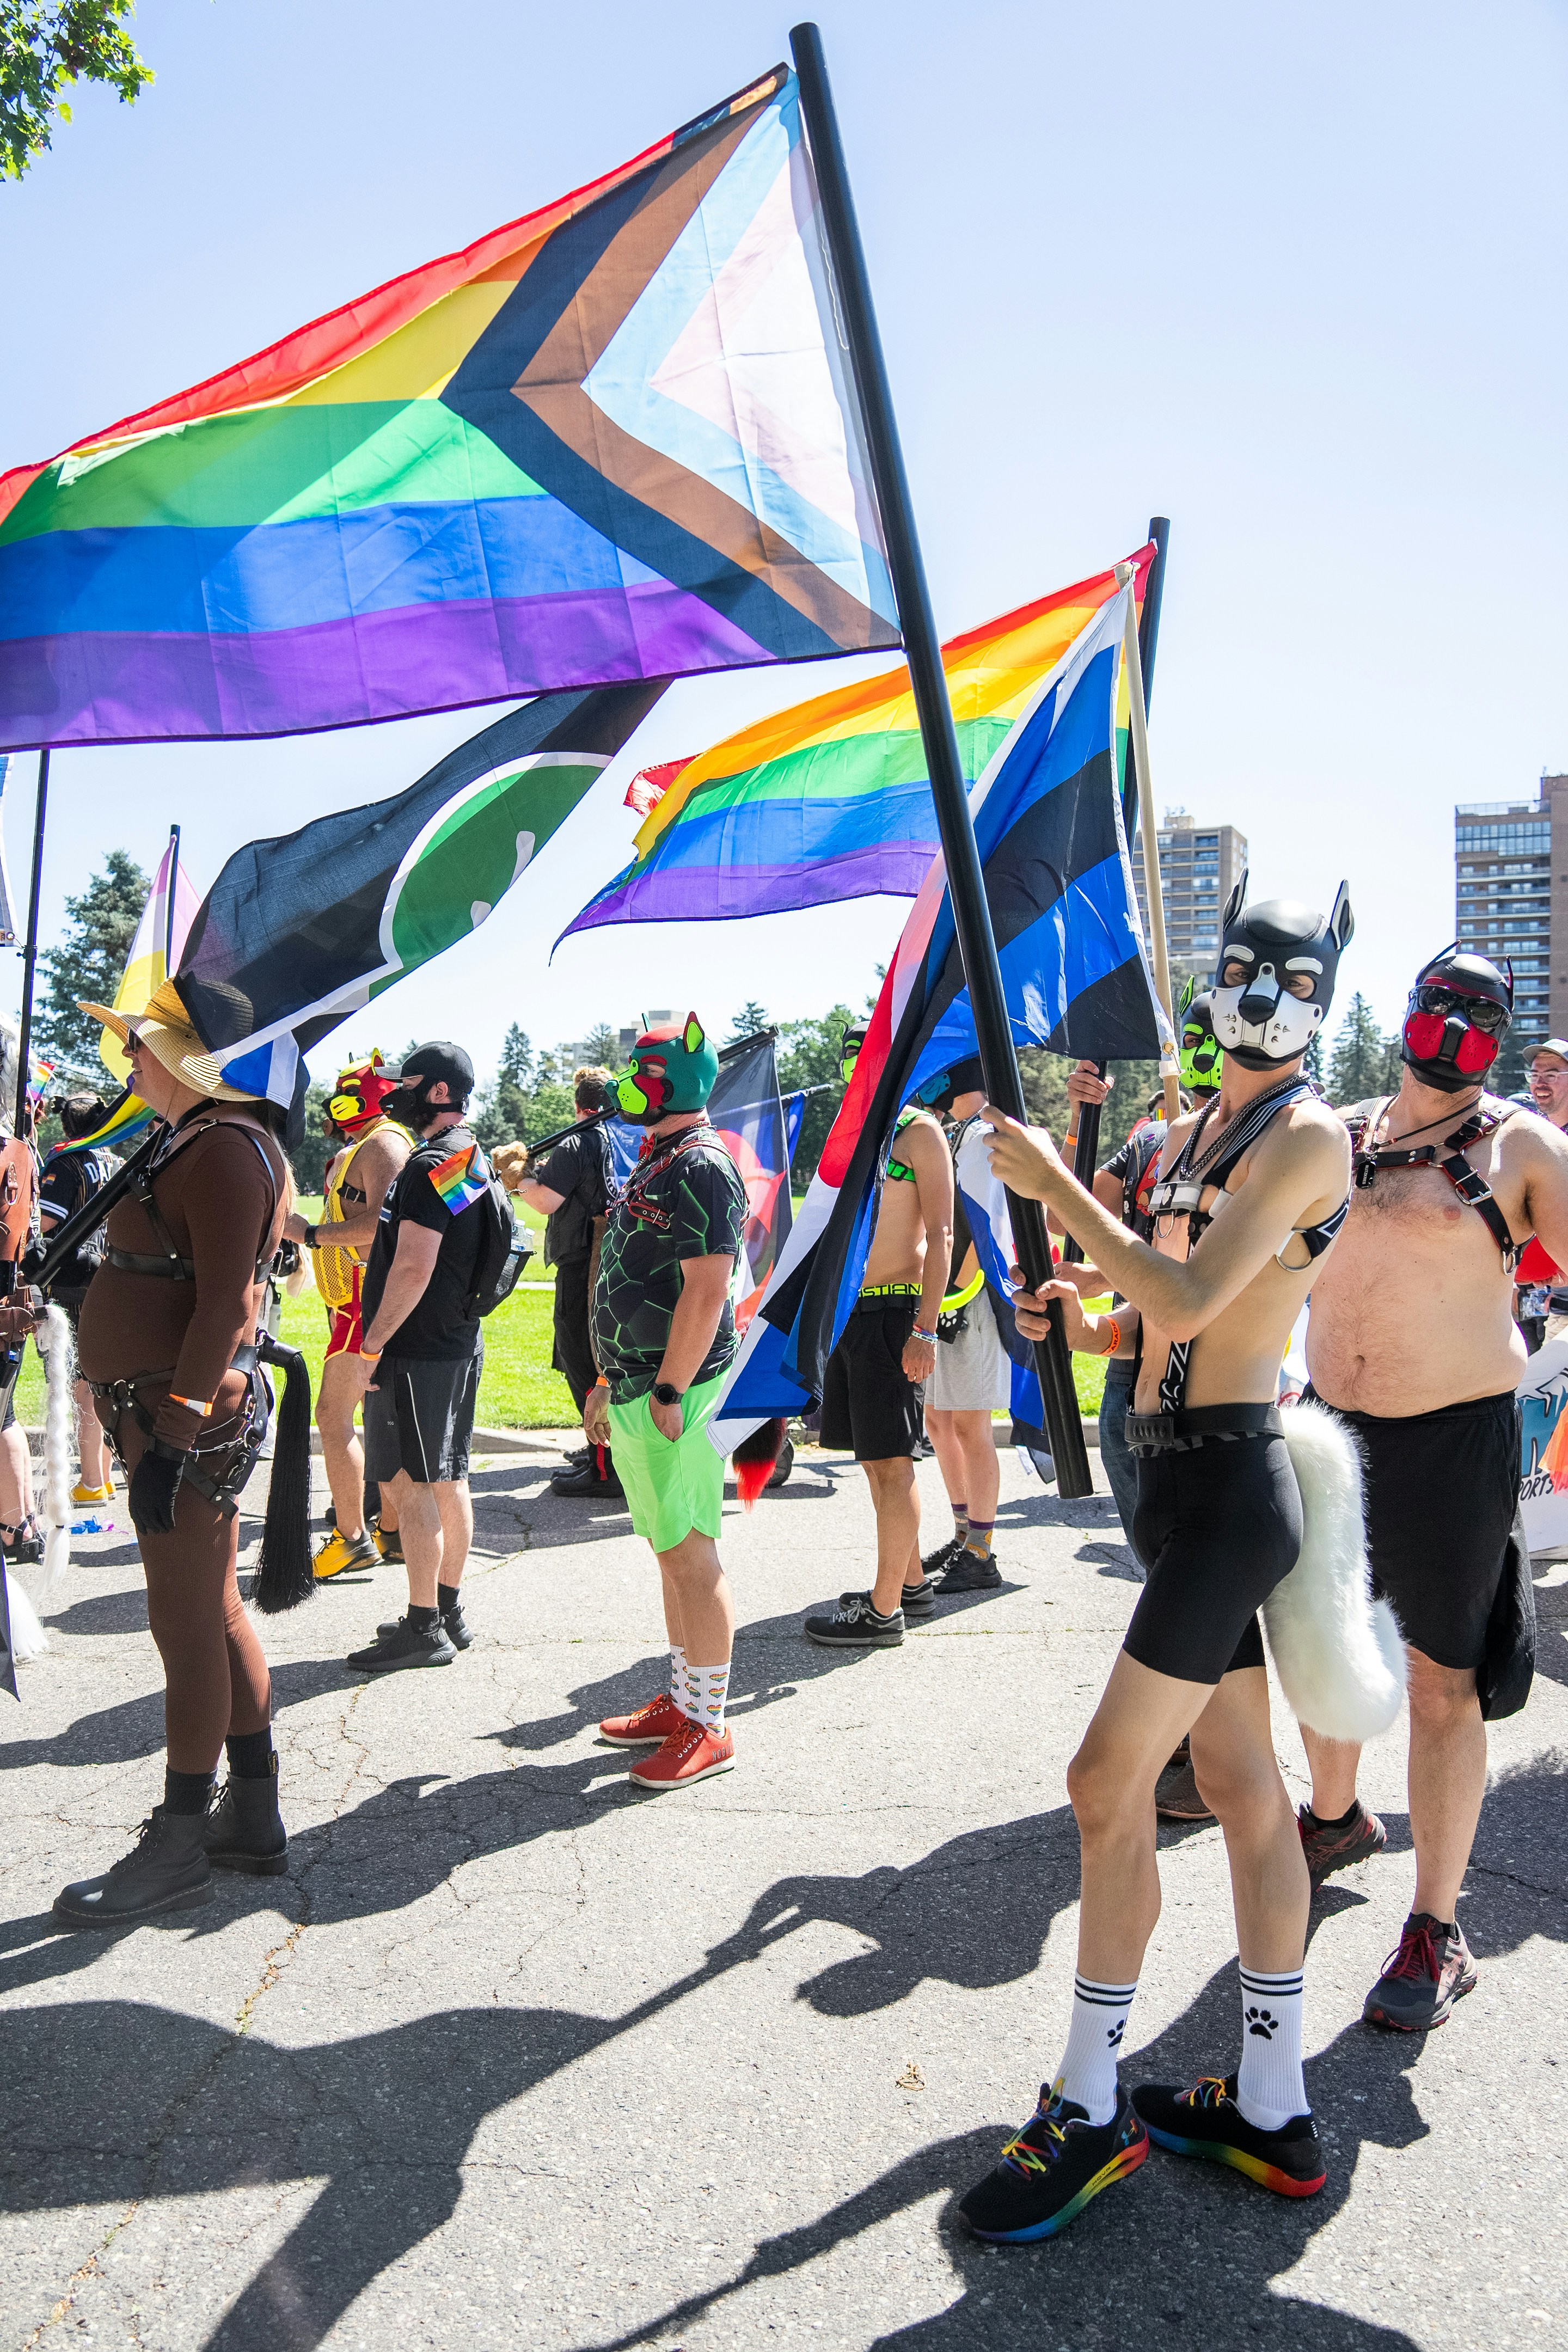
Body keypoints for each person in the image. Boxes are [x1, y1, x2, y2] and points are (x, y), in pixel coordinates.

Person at [958, 879, 1355, 2241]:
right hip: (1162, 1483)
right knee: (1244, 1785)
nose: (1261, 991)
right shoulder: (1189, 1128)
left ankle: (1090, 2104)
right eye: (1245, 964)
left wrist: (1053, 1187)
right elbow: (1144, 1323)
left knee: (1102, 1780)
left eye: (1292, 976)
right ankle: (1269, 2107)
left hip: (1236, 1488)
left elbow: (1191, 1298)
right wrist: (1067, 1309)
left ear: (1325, 995)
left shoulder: (1307, 1138)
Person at [1300, 947, 1568, 2028]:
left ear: (1500, 1037)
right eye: (1440, 1001)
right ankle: (1334, 1817)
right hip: (1327, 1434)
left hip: (1453, 1448)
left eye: (1480, 1011)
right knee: (1325, 1651)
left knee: (1437, 1685)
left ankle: (1435, 1928)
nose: (1453, 1022)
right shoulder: (1341, 1131)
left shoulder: (1524, 1147)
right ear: (1409, 1010)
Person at [52, 980, 293, 1926]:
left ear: (191, 1061)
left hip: (182, 1421)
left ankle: (183, 1839)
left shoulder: (228, 1148)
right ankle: (254, 1818)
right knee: (215, 1610)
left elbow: (228, 1305)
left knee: (183, 1625)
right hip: (157, 1411)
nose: (128, 1061)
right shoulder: (190, 1138)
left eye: (141, 1047)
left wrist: (177, 1435)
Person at [587, 1014, 748, 1789]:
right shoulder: (661, 1157)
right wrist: (607, 1381)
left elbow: (709, 1288)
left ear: (671, 1082)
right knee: (667, 1550)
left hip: (673, 1390)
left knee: (690, 1550)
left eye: (638, 1073)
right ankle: (685, 1701)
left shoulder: (704, 1164)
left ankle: (709, 1724)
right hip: (636, 1385)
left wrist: (672, 1388)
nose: (625, 1085)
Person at [803, 1024, 953, 1649]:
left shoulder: (920, 1131)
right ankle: (911, 1582)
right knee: (874, 1463)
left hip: (896, 1317)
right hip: (851, 1318)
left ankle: (883, 1610)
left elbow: (942, 1235)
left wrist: (926, 1329)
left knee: (893, 1465)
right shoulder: (855, 1132)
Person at [345, 1044, 491, 1673]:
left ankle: (423, 1625)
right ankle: (446, 1608)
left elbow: (413, 1264)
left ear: (436, 1092)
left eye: (405, 1083)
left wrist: (372, 1346)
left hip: (418, 1347)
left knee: (410, 1484)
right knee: (448, 1477)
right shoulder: (468, 1153)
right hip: (457, 1340)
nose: (394, 1093)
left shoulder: (432, 1160)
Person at [284, 1054, 411, 1581]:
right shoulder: (370, 1143)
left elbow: (382, 1229)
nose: (338, 1106)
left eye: (349, 1094)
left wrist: (307, 1234)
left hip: (364, 1301)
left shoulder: (384, 1143)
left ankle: (352, 1536)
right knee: (370, 1418)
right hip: (352, 1301)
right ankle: (390, 1530)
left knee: (333, 1417)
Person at [499, 1068, 617, 1499]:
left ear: (579, 1104)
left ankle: (606, 1468)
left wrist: (519, 1177)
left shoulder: (579, 1139)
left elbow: (546, 1199)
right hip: (606, 1259)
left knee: (584, 1361)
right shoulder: (613, 1137)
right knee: (595, 1359)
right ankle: (601, 1453)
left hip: (582, 1261)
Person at [920, 1061, 1008, 1596]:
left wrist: (955, 1295)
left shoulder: (981, 1134)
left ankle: (981, 1550)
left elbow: (984, 1221)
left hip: (970, 1301)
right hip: (950, 1296)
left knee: (971, 1425)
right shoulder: (958, 1133)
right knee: (938, 1419)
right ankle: (962, 1533)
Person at [35, 1093, 119, 1507]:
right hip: (105, 1272)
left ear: (66, 1124)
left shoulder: (66, 1163)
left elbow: (46, 1222)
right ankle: (102, 1477)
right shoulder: (110, 1159)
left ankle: (89, 1480)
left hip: (72, 1280)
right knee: (101, 1381)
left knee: (81, 1384)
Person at [1511, 1039, 1568, 1346]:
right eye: (1534, 1074)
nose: (1540, 1082)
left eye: (1551, 1074)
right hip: (1547, 1299)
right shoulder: (1532, 1140)